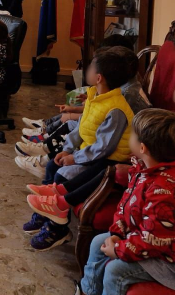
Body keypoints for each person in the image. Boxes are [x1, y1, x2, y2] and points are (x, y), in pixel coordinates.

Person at [77, 109, 175, 295]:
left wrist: (120, 250)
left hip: (173, 260)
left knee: (115, 270)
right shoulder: (145, 168)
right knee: (98, 241)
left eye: (132, 133)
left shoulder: (164, 193)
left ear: (142, 148)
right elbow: (126, 205)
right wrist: (117, 232)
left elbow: (154, 240)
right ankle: (88, 291)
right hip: (145, 238)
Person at [21, 47, 135, 251]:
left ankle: (58, 229)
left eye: (90, 67)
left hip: (103, 160)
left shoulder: (115, 108)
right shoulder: (95, 95)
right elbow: (82, 127)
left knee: (62, 175)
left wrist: (75, 158)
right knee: (52, 167)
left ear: (98, 77)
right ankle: (45, 210)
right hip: (88, 152)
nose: (87, 69)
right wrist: (67, 150)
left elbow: (103, 148)